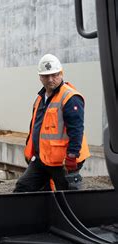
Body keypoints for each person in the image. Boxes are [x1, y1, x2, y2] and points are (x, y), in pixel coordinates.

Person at [14, 54, 90, 192]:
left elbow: (76, 130)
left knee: (67, 197)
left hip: (63, 162)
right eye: (46, 76)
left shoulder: (70, 97)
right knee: (23, 188)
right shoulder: (40, 99)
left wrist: (72, 157)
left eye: (54, 75)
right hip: (42, 159)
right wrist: (31, 151)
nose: (50, 80)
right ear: (40, 77)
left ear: (61, 73)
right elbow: (35, 128)